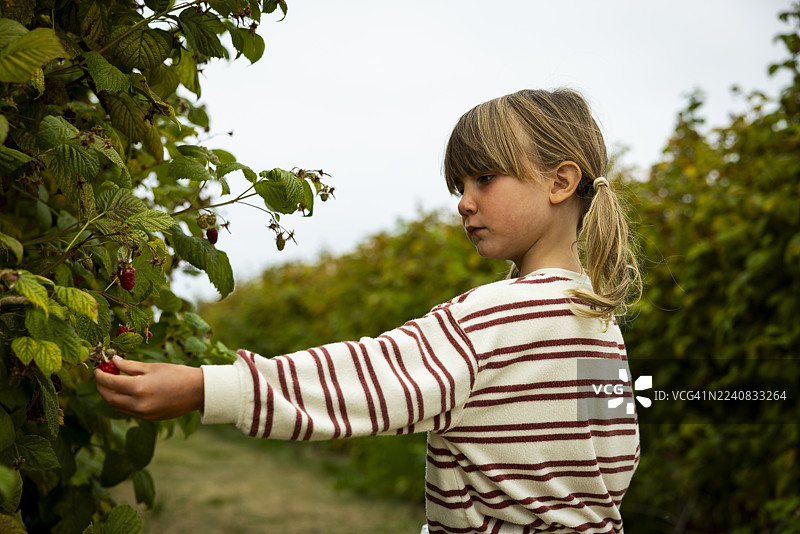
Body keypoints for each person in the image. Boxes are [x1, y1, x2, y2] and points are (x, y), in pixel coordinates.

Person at [96, 88, 642, 534]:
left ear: (560, 181)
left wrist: (204, 388)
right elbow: (612, 469)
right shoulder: (599, 321)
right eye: (459, 184)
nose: (463, 201)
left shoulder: (495, 317)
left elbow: (369, 380)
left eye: (485, 178)